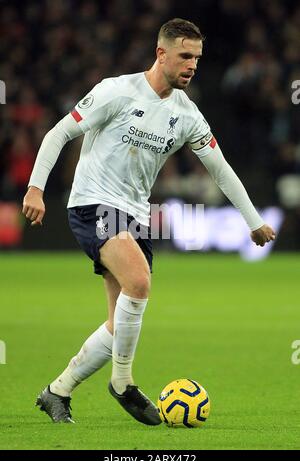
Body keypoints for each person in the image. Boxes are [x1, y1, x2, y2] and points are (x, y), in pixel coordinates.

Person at [23, 18, 276, 425]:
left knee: (117, 322)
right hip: (94, 203)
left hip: (135, 215)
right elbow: (57, 134)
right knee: (139, 283)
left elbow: (221, 170)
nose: (193, 65)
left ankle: (57, 391)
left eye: (197, 57)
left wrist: (253, 220)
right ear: (161, 53)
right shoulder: (116, 91)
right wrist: (36, 188)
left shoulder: (187, 114)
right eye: (184, 56)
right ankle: (122, 382)